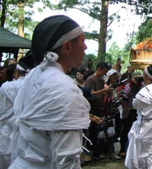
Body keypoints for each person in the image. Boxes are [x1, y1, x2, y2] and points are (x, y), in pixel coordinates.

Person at [10, 15, 90, 168]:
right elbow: (67, 159)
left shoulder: (34, 75)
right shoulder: (64, 88)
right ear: (67, 47)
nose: (85, 47)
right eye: (82, 41)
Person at [0, 52, 34, 168]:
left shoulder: (7, 87)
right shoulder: (36, 87)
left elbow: (2, 111)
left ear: (16, 72)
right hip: (28, 135)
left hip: (7, 131)